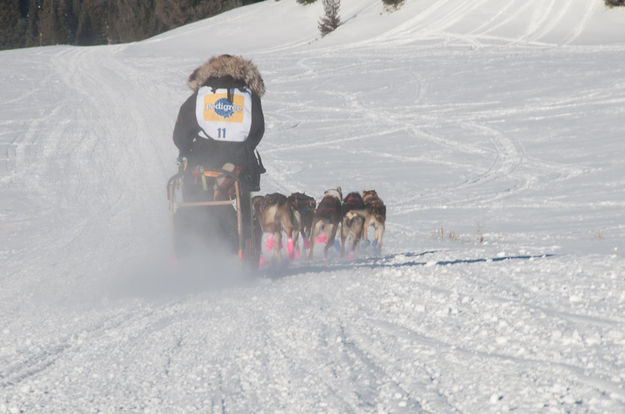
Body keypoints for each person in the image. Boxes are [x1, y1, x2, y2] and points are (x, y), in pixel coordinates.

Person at [172, 54, 266, 254]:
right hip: (238, 162)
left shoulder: (201, 95)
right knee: (242, 199)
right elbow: (257, 129)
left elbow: (180, 133)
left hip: (202, 161)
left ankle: (192, 241)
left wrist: (188, 149)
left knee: (192, 192)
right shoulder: (249, 95)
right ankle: (241, 241)